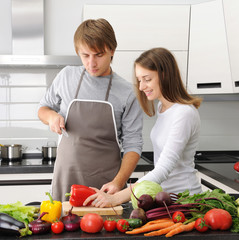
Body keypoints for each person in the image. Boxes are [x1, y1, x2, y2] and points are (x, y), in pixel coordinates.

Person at [37, 18, 143, 202]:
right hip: (66, 178)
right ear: (78, 52)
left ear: (112, 50)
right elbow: (43, 109)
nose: (91, 63)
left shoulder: (128, 93)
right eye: (85, 55)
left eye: (98, 55)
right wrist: (52, 116)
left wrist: (118, 183)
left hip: (106, 185)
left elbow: (133, 145)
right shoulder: (66, 76)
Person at [84, 47, 203, 208]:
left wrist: (117, 198)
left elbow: (163, 169)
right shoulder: (163, 107)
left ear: (165, 75)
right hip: (165, 198)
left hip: (184, 200)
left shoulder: (184, 113)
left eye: (147, 79)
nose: (141, 87)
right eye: (139, 80)